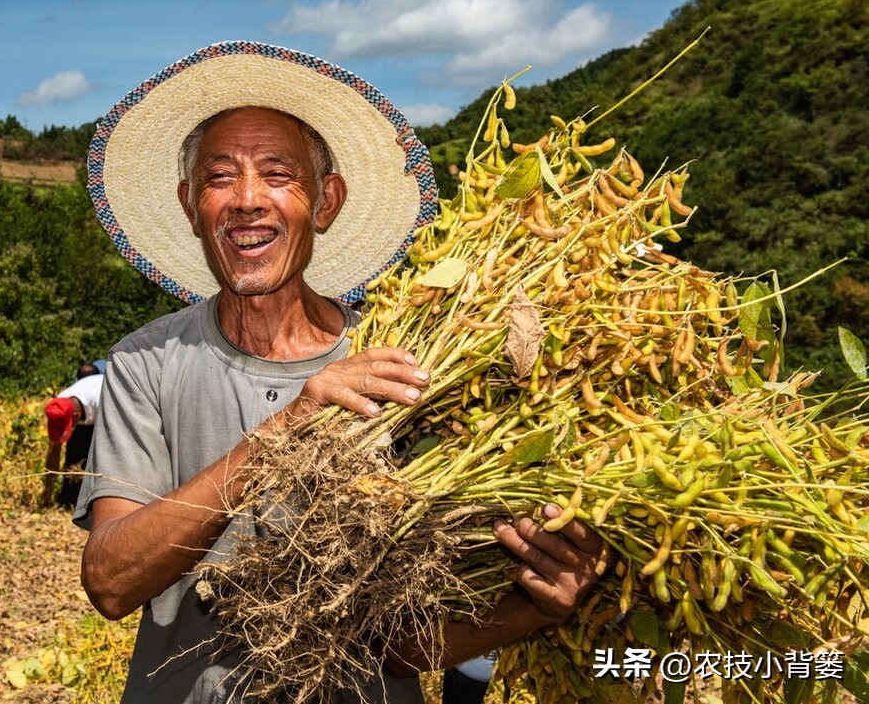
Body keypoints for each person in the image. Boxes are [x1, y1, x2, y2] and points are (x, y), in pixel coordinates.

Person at [73, 41, 606, 703]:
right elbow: (112, 580)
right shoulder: (145, 363)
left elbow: (403, 644)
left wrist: (536, 607)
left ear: (325, 202)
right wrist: (289, 426)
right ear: (190, 204)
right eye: (218, 178)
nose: (245, 199)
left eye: (276, 174)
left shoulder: (408, 364)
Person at [41, 359, 106, 508]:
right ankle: (70, 499)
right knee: (74, 453)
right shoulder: (59, 405)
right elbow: (54, 450)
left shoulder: (102, 400)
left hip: (110, 407)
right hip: (87, 411)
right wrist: (48, 488)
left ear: (76, 417)